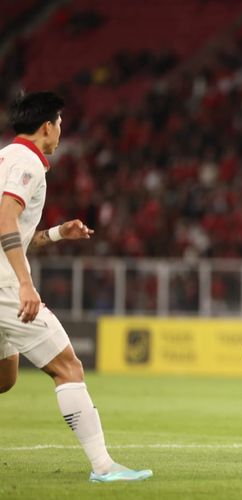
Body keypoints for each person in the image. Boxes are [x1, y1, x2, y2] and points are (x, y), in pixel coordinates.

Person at [0, 92, 152, 482]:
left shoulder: (5, 158)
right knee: (68, 366)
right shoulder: (26, 163)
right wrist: (25, 284)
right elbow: (5, 222)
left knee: (5, 378)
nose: (61, 131)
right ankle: (103, 466)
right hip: (4, 286)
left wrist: (55, 233)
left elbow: (15, 231)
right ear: (47, 126)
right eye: (60, 123)